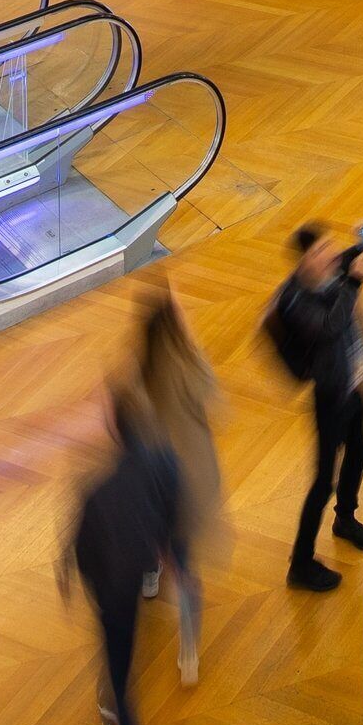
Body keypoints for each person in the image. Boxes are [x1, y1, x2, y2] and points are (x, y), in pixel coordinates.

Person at [71, 384, 190, 725]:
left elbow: (84, 555)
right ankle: (108, 700)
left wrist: (96, 589)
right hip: (139, 573)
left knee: (125, 690)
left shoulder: (98, 491)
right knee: (119, 653)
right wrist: (167, 561)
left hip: (114, 594)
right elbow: (175, 520)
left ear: (116, 428)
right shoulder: (166, 463)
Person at [265, 221, 363, 591]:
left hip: (353, 386)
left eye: (329, 246)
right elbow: (329, 327)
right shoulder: (294, 300)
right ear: (303, 262)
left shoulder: (333, 267)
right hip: (330, 396)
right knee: (322, 481)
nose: (330, 254)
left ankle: (345, 518)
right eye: (319, 252)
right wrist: (355, 280)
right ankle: (300, 564)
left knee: (359, 451)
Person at [131, 288, 226, 683]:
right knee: (185, 567)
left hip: (151, 480)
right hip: (188, 480)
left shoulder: (138, 372)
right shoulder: (190, 364)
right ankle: (188, 654)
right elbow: (216, 401)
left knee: (151, 537)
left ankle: (150, 576)